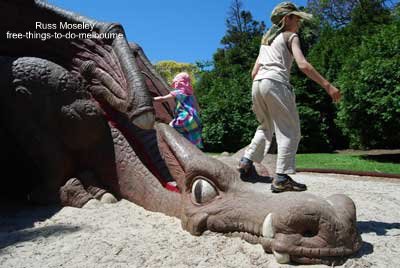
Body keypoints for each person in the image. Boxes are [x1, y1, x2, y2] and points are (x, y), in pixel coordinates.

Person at [238, 2, 341, 193]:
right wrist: (328, 86)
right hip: (276, 83)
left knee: (265, 126)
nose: (299, 22)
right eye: (297, 18)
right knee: (290, 131)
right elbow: (303, 65)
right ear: (287, 19)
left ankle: (246, 161)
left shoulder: (266, 41)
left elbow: (254, 72)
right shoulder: (290, 36)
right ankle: (282, 178)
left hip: (258, 84)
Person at [153, 72, 204, 149]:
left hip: (185, 118)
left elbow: (162, 99)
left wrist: (151, 99)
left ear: (178, 83)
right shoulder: (191, 95)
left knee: (171, 127)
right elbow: (198, 108)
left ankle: (173, 147)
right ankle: (195, 147)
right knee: (190, 136)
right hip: (195, 120)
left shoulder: (177, 92)